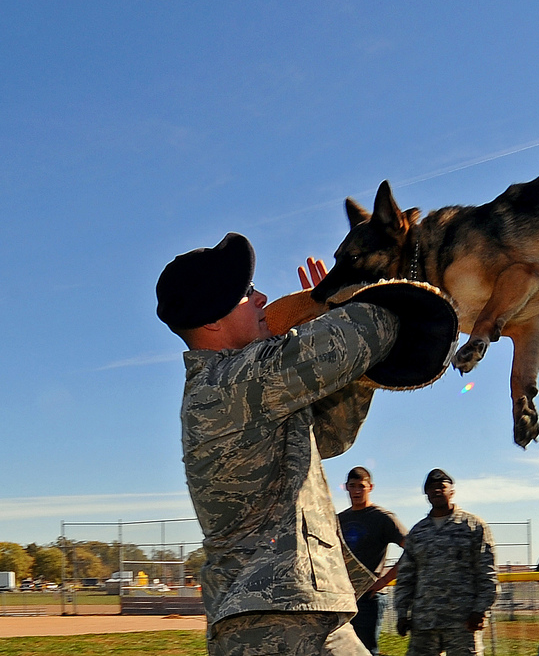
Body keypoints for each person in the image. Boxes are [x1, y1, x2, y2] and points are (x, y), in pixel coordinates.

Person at [157, 234, 411, 655]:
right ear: (214, 321)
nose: (263, 299)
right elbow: (373, 329)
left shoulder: (248, 385)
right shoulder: (232, 381)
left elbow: (331, 435)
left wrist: (333, 327)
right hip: (269, 622)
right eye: (247, 293)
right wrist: (357, 293)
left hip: (300, 611)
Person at [394, 469, 498, 656]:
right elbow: (406, 577)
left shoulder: (473, 526)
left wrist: (481, 610)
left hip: (463, 621)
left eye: (442, 487)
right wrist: (402, 613)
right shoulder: (418, 532)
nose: (436, 491)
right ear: (426, 494)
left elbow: (487, 572)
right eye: (432, 488)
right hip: (425, 621)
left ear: (452, 491)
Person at [337, 466, 407, 656]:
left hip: (369, 597)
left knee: (367, 651)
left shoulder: (382, 518)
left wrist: (384, 580)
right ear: (346, 488)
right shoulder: (339, 519)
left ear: (370, 487)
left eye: (361, 486)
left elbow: (412, 548)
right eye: (352, 486)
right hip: (342, 596)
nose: (357, 491)